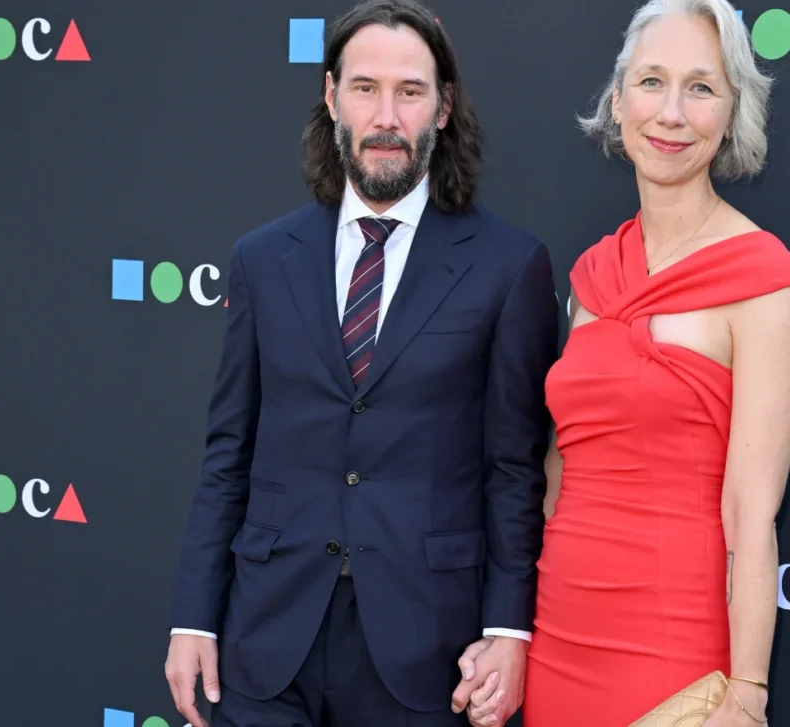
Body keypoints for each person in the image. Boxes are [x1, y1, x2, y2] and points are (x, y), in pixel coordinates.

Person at [162, 1, 558, 725]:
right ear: (331, 97)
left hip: (425, 648)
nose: (386, 115)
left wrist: (508, 629)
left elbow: (514, 470)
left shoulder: (509, 267)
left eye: (410, 91)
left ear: (442, 109)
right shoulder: (261, 259)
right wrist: (195, 616)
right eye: (364, 87)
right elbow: (229, 453)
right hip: (266, 639)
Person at [456, 1, 790, 725]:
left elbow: (752, 509)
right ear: (618, 103)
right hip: (558, 640)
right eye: (651, 82)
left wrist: (747, 690)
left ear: (732, 109)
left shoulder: (764, 281)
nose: (672, 113)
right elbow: (557, 472)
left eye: (701, 87)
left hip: (675, 653)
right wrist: (512, 632)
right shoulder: (593, 275)